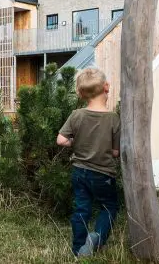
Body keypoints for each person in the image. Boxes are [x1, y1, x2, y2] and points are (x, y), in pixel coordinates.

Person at [56, 68, 120, 257]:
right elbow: (115, 152)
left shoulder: (76, 115)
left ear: (81, 93)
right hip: (103, 174)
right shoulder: (113, 118)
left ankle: (78, 249)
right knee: (110, 207)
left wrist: (75, 142)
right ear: (106, 87)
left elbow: (61, 140)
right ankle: (96, 238)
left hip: (79, 172)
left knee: (81, 209)